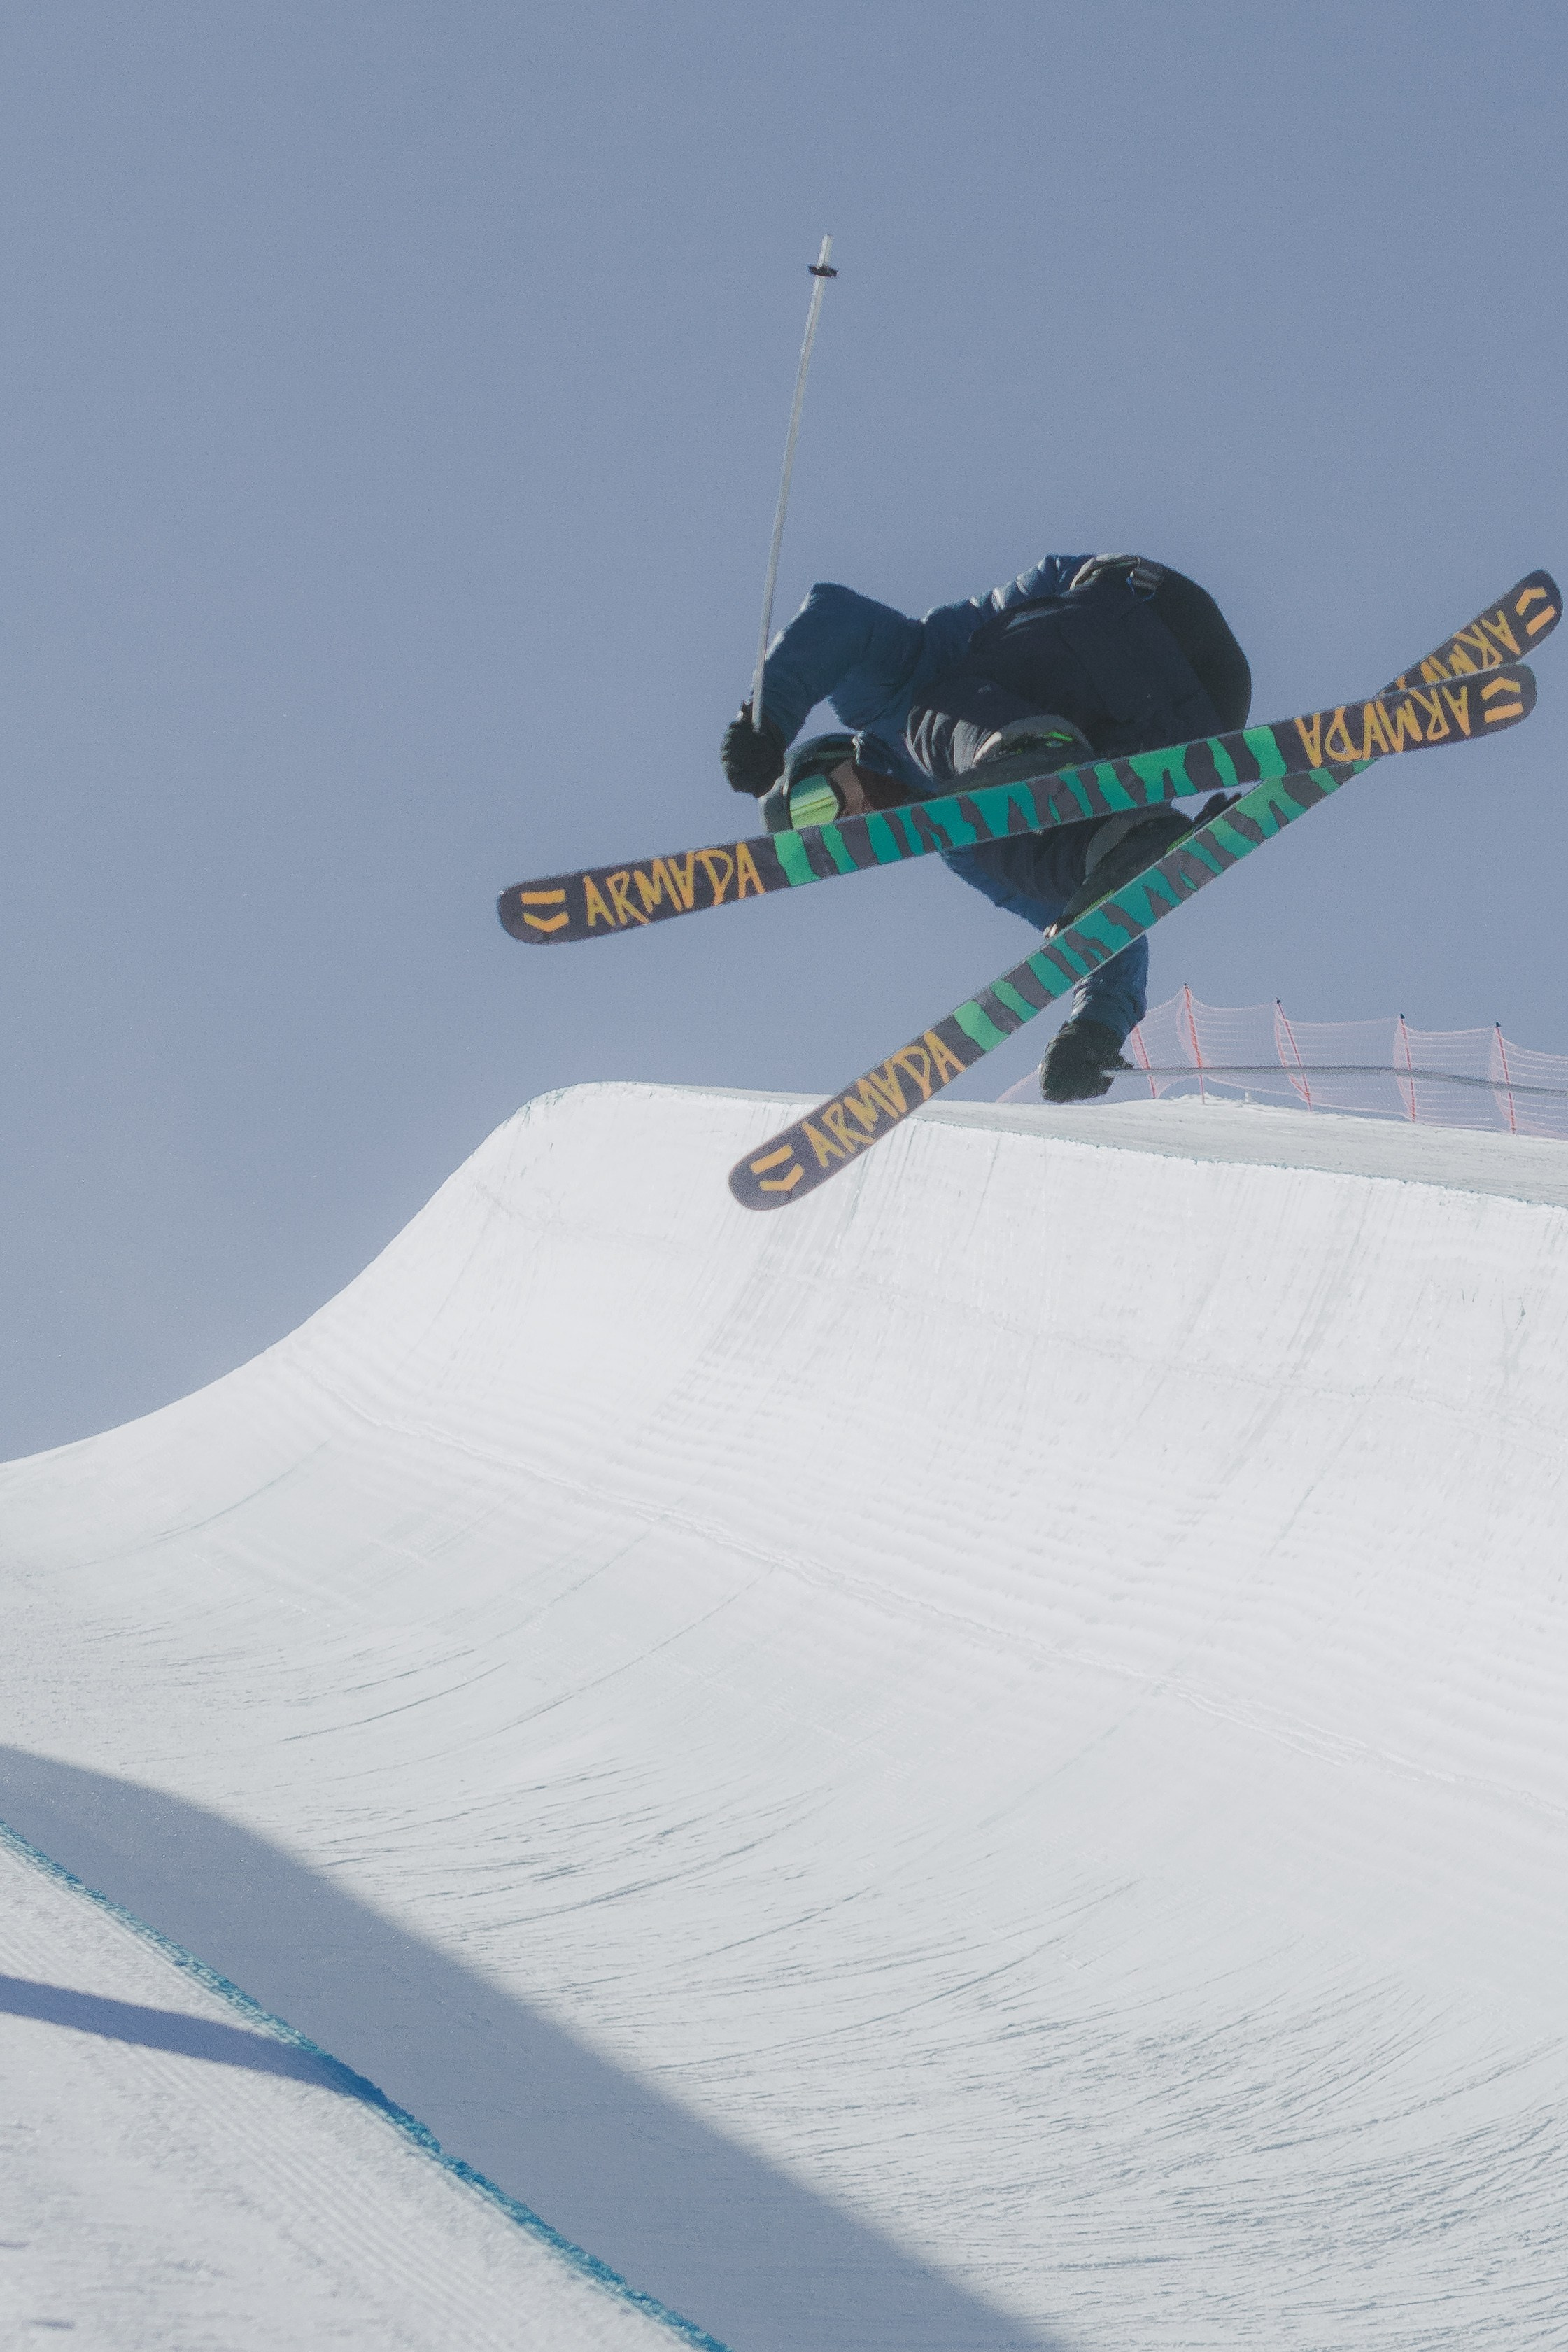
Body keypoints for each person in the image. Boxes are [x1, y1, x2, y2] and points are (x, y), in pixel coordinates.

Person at [720, 554, 1250, 1101]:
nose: (842, 825)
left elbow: (835, 619)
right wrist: (1096, 1025)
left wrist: (767, 719)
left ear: (832, 758)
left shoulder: (884, 698)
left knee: (928, 732)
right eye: (823, 841)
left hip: (1140, 615)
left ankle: (1025, 745)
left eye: (815, 804)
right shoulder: (966, 840)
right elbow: (1113, 919)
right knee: (1015, 856)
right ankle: (1126, 835)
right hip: (1203, 712)